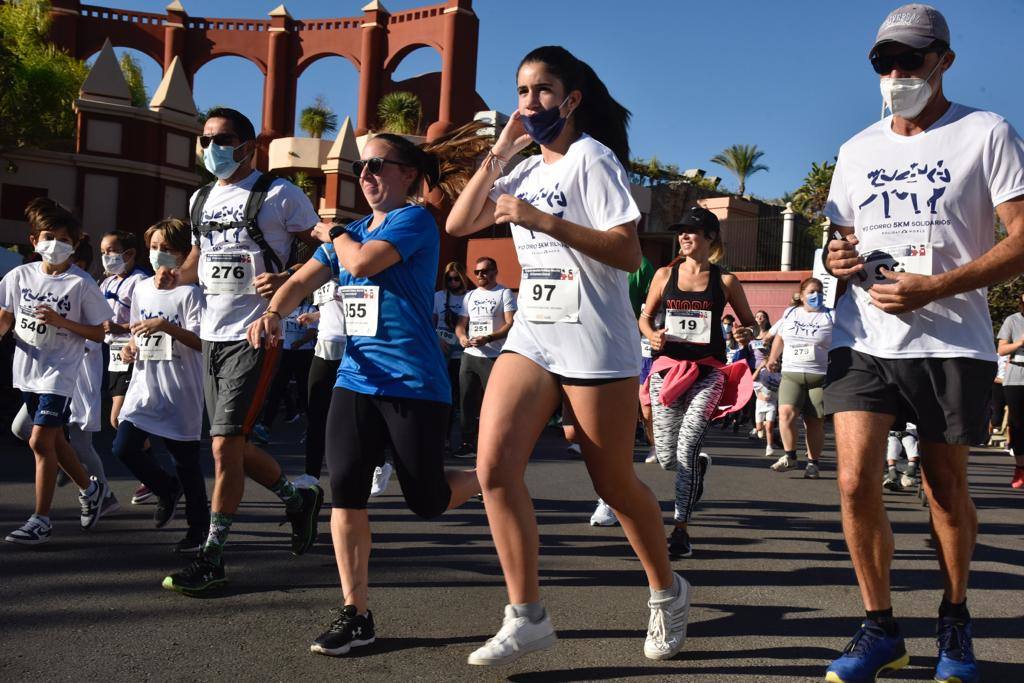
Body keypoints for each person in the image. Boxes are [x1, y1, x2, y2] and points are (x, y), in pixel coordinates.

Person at [447, 45, 691, 664]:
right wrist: (501, 150)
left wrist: (543, 221)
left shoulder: (592, 160)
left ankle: (667, 592)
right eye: (522, 92)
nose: (530, 103)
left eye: (543, 92)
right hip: (531, 337)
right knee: (495, 467)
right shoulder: (522, 169)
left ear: (572, 99)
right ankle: (525, 615)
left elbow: (627, 253)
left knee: (612, 482)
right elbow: (458, 222)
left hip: (595, 344)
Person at [821, 6, 1024, 682]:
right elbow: (835, 240)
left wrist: (936, 288)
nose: (898, 73)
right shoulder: (856, 150)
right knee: (854, 481)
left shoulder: (986, 131)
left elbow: (1020, 240)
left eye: (912, 59)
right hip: (866, 337)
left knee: (943, 487)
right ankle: (879, 627)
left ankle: (955, 620)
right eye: (885, 62)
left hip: (950, 339)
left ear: (945, 60)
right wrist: (838, 259)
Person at [253, 125, 487, 657]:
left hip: (414, 383)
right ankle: (355, 613)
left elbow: (358, 263)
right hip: (356, 378)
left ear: (407, 175)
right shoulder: (352, 230)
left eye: (378, 165)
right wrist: (272, 313)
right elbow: (299, 283)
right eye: (362, 166)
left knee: (426, 501)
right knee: (348, 493)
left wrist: (330, 231)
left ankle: (490, 477)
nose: (366, 174)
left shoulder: (414, 222)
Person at [160, 107, 324, 595]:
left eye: (224, 139)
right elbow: (200, 256)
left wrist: (289, 281)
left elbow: (321, 245)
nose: (213, 148)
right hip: (211, 333)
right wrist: (176, 274)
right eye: (205, 139)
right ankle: (296, 500)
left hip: (256, 333)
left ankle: (213, 556)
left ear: (248, 145)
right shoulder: (200, 197)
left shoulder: (278, 194)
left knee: (222, 446)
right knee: (230, 443)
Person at [0, 198, 111, 544]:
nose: (56, 245)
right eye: (49, 236)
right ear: (34, 241)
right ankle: (91, 490)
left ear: (75, 244)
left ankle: (41, 519)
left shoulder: (80, 284)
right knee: (56, 441)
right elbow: (5, 316)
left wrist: (62, 321)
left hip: (61, 373)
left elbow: (100, 331)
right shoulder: (19, 275)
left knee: (39, 440)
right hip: (28, 369)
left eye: (65, 240)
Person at [113, 219, 210, 554]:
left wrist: (165, 325)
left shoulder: (191, 294)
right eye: (154, 248)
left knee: (186, 462)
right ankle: (166, 489)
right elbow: (136, 332)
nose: (158, 255)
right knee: (123, 447)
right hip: (144, 384)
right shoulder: (141, 288)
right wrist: (129, 347)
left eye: (167, 249)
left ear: (183, 255)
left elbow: (201, 342)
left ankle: (198, 529)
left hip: (180, 388)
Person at [98, 230, 152, 504]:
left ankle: (150, 475)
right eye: (103, 252)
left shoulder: (140, 281)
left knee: (121, 417)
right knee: (116, 418)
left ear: (129, 254)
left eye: (111, 251)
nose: (106, 257)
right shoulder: (107, 281)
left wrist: (118, 327)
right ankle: (151, 473)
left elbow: (146, 318)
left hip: (130, 352)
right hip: (110, 353)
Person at [765, 278, 833, 479]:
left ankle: (813, 464)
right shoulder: (790, 313)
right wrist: (773, 358)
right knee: (785, 414)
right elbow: (780, 337)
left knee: (814, 422)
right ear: (802, 295)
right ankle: (790, 456)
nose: (816, 295)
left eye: (819, 291)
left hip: (819, 376)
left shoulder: (831, 316)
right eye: (811, 291)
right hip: (791, 373)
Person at [452, 256, 516, 459]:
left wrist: (489, 337)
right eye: (477, 272)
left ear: (495, 272)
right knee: (466, 401)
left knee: (493, 403)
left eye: (485, 271)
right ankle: (467, 442)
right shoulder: (470, 295)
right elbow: (461, 324)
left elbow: (510, 324)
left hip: (493, 356)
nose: (481, 275)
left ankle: (495, 443)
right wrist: (462, 337)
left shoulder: (504, 293)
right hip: (470, 355)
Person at [252, 298, 317, 444]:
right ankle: (265, 425)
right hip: (285, 353)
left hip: (303, 354)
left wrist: (300, 342)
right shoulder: (283, 309)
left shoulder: (310, 309)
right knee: (276, 388)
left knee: (305, 391)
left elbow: (312, 331)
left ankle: (313, 427)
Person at [433, 261, 470, 451]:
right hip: (441, 350)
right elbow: (430, 323)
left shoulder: (470, 297)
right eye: (449, 279)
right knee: (442, 394)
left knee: (459, 397)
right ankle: (443, 438)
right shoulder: (439, 297)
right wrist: (437, 341)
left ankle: (464, 439)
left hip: (462, 351)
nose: (453, 282)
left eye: (456, 278)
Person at [995, 296, 1024, 488]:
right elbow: (1002, 350)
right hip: (1016, 376)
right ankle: (1021, 468)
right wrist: (1020, 342)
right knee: (1019, 424)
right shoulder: (1013, 320)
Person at [883, 422, 920, 491]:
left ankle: (894, 471)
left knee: (894, 446)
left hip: (902, 431)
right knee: (904, 444)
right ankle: (896, 472)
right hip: (901, 432)